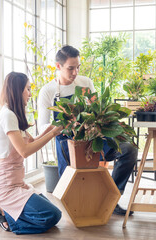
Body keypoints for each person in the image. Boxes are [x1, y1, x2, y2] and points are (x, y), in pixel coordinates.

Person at [37, 45, 138, 216]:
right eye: (71, 68)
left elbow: (97, 110)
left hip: (93, 135)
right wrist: (62, 126)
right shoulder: (48, 91)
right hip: (66, 139)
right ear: (58, 66)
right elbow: (42, 125)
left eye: (78, 67)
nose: (75, 72)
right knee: (70, 189)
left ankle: (111, 199)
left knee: (129, 149)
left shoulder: (85, 83)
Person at [0, 72, 62, 235]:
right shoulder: (7, 115)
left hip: (17, 183)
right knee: (53, 215)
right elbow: (25, 151)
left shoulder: (13, 114)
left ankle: (4, 209)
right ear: (17, 90)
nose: (30, 94)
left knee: (52, 213)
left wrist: (50, 129)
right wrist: (53, 134)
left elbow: (31, 142)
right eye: (27, 89)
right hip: (6, 186)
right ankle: (4, 214)